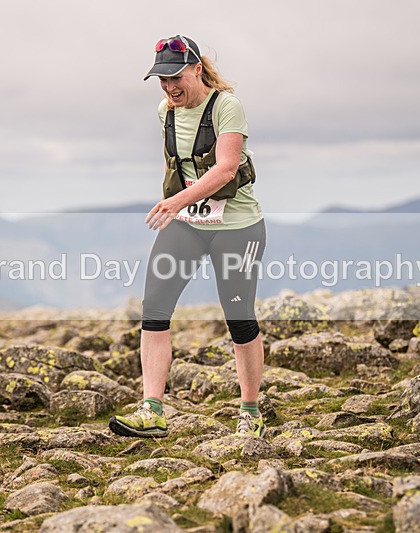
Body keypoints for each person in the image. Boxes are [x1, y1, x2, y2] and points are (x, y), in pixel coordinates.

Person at [108, 35, 267, 439]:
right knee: (155, 309)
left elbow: (227, 169)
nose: (169, 87)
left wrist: (176, 201)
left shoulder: (226, 106)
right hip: (188, 223)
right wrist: (180, 204)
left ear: (197, 68)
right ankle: (152, 410)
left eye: (175, 76)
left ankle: (250, 411)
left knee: (240, 318)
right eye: (161, 79)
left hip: (237, 227)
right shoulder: (166, 112)